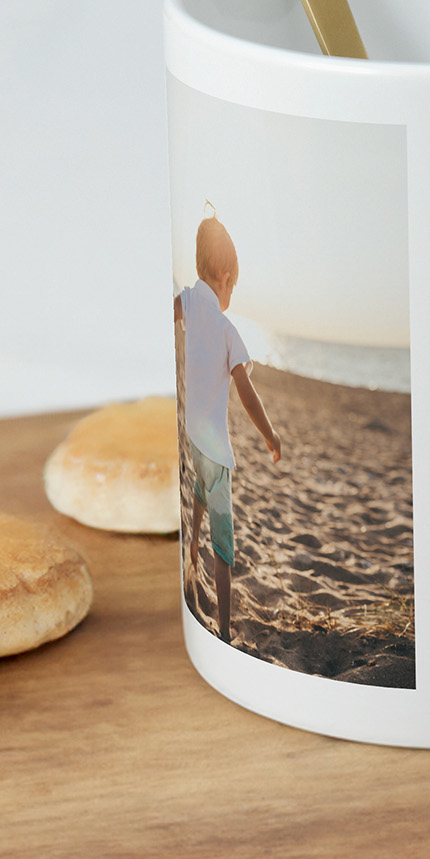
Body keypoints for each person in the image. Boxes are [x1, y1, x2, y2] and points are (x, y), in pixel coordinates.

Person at [174, 211, 282, 646]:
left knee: (197, 493)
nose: (231, 291)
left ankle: (189, 556)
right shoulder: (225, 327)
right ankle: (221, 629)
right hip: (217, 451)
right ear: (223, 275)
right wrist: (270, 434)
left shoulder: (188, 301)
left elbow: (171, 313)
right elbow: (246, 391)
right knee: (226, 545)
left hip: (191, 438)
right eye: (233, 284)